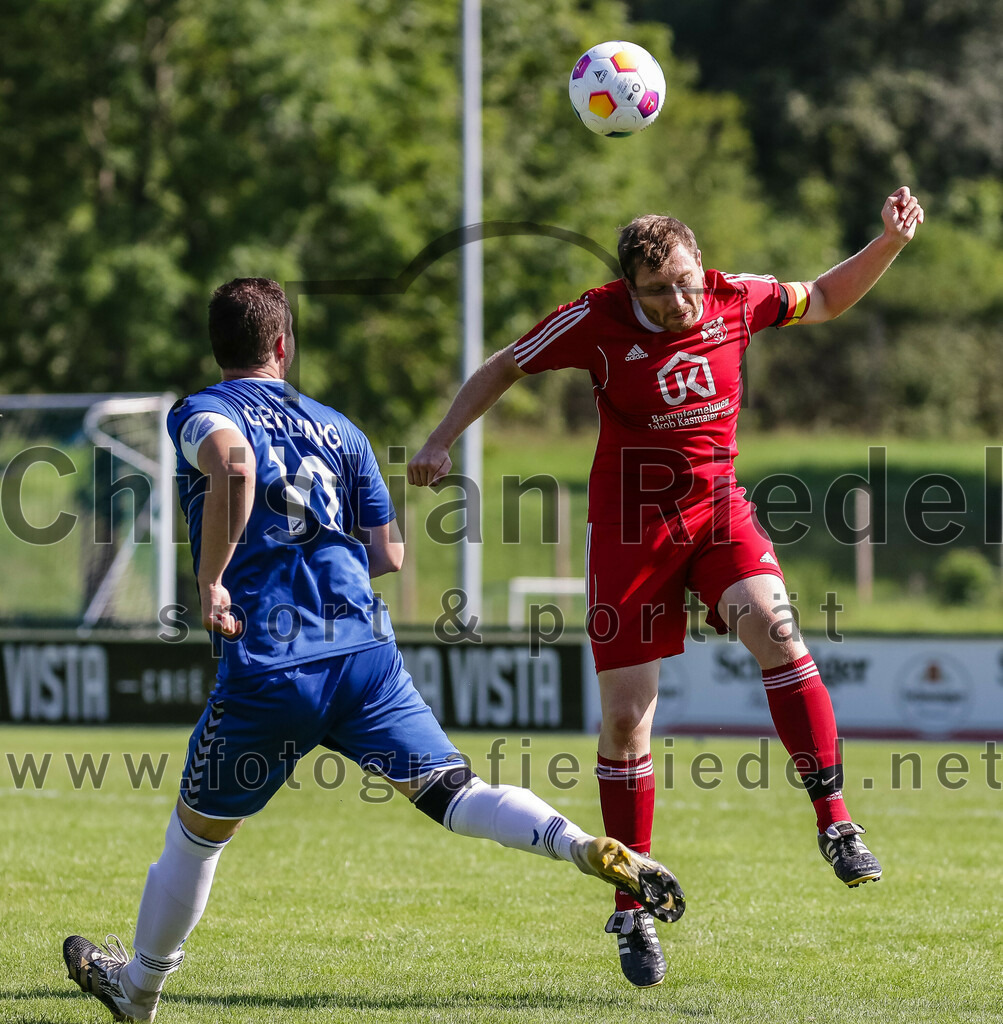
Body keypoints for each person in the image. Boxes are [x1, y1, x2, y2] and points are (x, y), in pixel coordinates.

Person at [62, 278, 685, 1022]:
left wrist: (212, 579)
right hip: (363, 654)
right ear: (283, 346)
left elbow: (233, 465)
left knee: (196, 838)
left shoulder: (202, 410)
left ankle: (138, 992)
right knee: (459, 794)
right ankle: (582, 844)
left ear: (218, 347)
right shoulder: (340, 428)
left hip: (272, 661)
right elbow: (386, 551)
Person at [408, 187, 925, 987]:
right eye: (659, 290)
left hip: (718, 512)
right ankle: (631, 906)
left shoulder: (732, 297)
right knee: (624, 721)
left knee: (779, 632)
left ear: (698, 264)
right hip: (629, 532)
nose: (680, 298)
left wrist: (887, 243)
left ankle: (835, 822)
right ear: (628, 289)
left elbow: (821, 297)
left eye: (685, 278)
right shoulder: (593, 318)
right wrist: (442, 438)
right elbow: (505, 363)